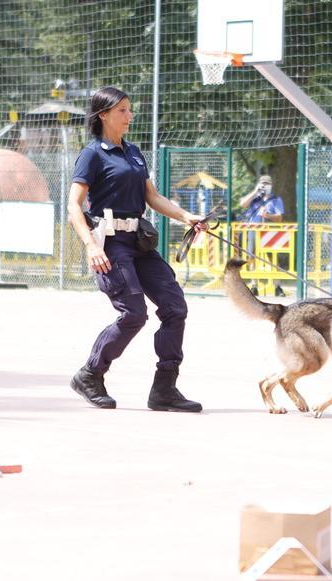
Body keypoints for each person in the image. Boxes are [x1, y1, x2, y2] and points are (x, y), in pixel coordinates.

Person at [67, 86, 207, 412]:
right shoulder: (93, 154)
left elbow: (152, 198)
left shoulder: (133, 152)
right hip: (110, 244)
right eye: (122, 111)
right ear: (103, 115)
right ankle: (90, 374)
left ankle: (165, 389)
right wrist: (90, 245)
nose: (130, 116)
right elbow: (74, 205)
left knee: (175, 308)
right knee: (134, 314)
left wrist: (187, 217)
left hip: (140, 243)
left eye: (130, 110)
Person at [237, 175, 286, 296]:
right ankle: (254, 285)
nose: (265, 186)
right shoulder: (255, 199)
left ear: (271, 185)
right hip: (253, 232)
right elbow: (242, 204)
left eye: (267, 184)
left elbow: (279, 218)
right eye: (262, 184)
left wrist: (267, 215)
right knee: (252, 257)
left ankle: (277, 286)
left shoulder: (276, 200)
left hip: (269, 233)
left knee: (273, 259)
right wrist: (255, 191)